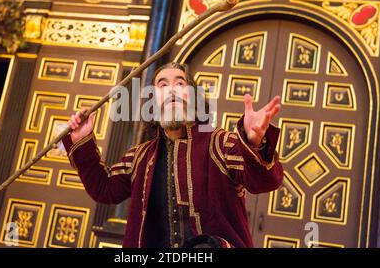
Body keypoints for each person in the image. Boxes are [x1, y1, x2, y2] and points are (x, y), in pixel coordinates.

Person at [63, 62, 283, 248]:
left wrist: (253, 142)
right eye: (162, 85)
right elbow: (105, 189)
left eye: (180, 83)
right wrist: (81, 141)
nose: (171, 90)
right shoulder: (140, 157)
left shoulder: (220, 143)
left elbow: (264, 182)